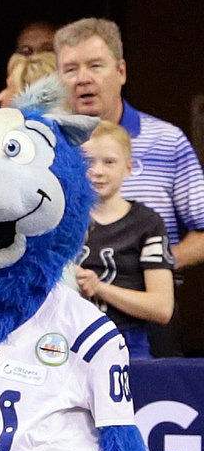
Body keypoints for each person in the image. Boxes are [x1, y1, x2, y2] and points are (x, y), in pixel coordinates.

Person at [56, 17, 204, 270]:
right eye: (71, 70)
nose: (83, 79)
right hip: (67, 303)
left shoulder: (167, 141)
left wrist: (154, 268)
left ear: (121, 71)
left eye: (95, 66)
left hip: (144, 304)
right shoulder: (48, 145)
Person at [77, 121, 174, 359]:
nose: (98, 170)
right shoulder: (61, 220)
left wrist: (98, 287)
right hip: (68, 340)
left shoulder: (147, 223)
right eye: (88, 162)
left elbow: (162, 308)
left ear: (128, 168)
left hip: (127, 343)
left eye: (109, 162)